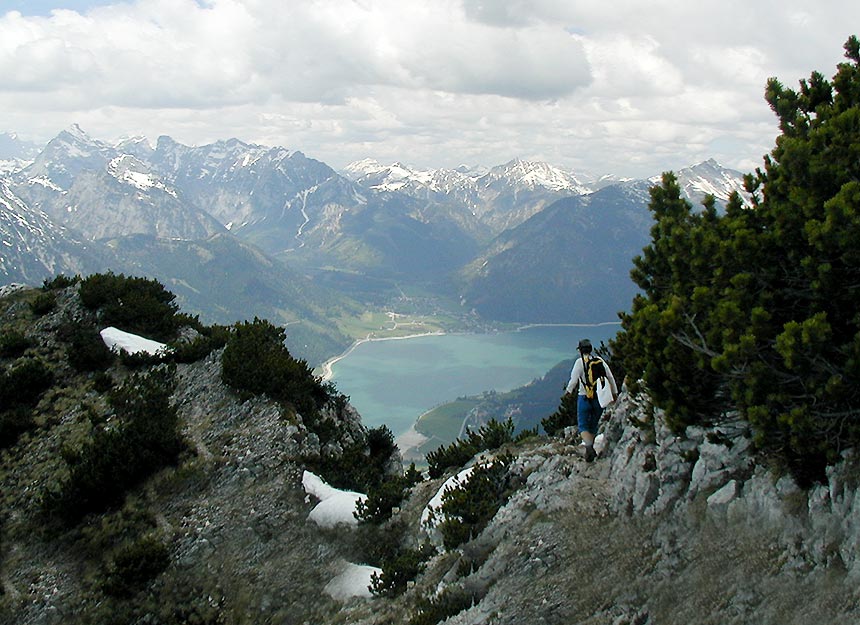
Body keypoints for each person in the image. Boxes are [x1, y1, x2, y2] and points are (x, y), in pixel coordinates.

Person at [565, 338, 618, 462]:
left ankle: (589, 448)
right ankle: (591, 447)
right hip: (598, 398)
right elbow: (610, 377)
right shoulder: (599, 361)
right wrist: (615, 394)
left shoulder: (579, 363)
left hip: (584, 397)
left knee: (583, 425)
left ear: (580, 351)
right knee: (594, 424)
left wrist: (568, 391)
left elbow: (573, 380)